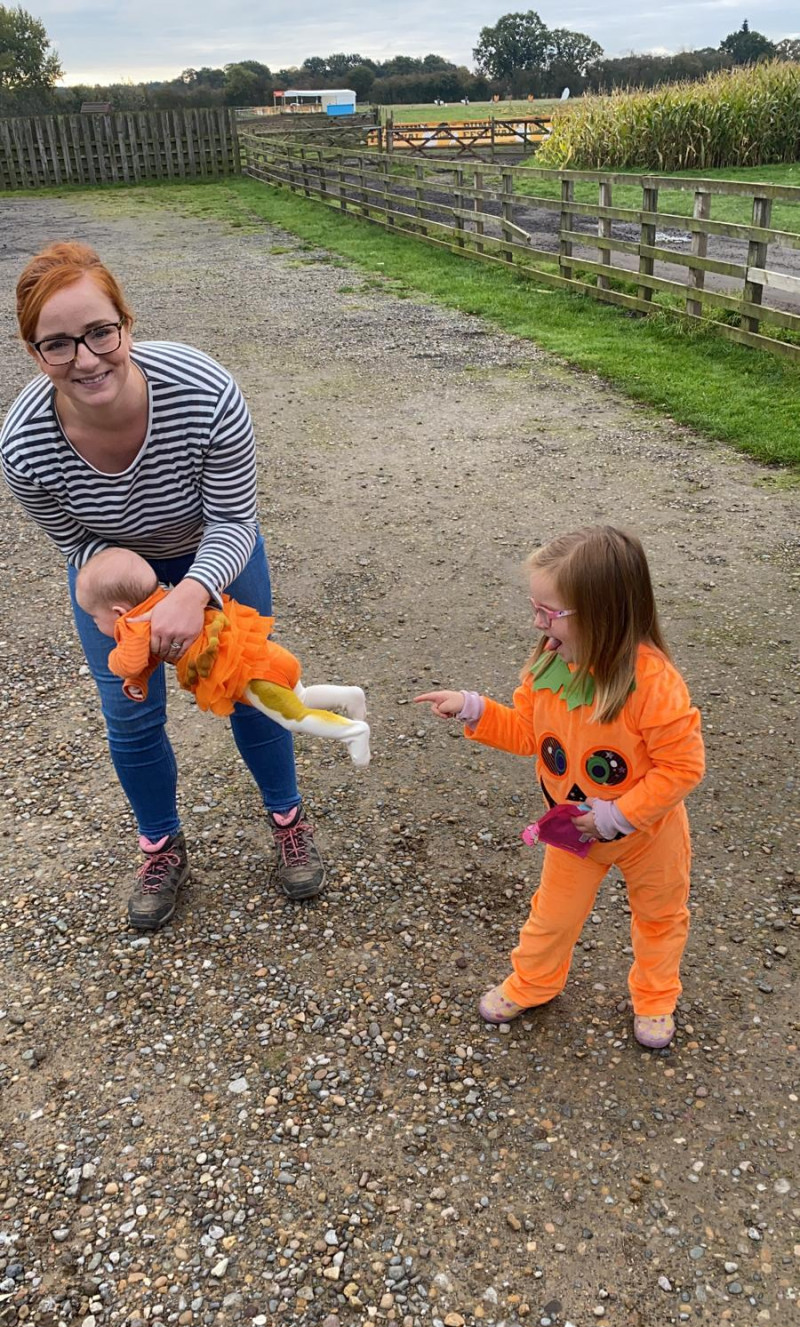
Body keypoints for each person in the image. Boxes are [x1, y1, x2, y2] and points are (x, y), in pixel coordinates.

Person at [1, 241, 328, 930]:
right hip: (116, 578)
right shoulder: (24, 448)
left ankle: (288, 820)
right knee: (131, 719)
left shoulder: (204, 390)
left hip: (218, 551)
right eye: (57, 345)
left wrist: (194, 591)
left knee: (255, 693)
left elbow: (236, 517)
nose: (85, 359)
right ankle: (161, 845)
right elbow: (78, 544)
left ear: (126, 323)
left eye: (99, 333)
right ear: (33, 354)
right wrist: (132, 598)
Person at [415, 526, 705, 1050]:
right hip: (574, 834)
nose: (537, 623)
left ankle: (656, 997)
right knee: (550, 917)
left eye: (550, 612)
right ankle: (534, 982)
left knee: (660, 919)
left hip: (650, 836)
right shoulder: (549, 663)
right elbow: (530, 734)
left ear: (606, 613)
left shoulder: (654, 685)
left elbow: (682, 768)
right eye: (536, 607)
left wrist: (616, 817)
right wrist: (474, 708)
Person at [75, 546, 371, 764]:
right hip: (262, 652)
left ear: (118, 612)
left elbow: (128, 661)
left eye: (93, 618)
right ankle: (349, 696)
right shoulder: (166, 600)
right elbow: (148, 660)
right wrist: (137, 682)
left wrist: (119, 659)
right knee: (301, 696)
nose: (94, 624)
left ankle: (353, 732)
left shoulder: (132, 626)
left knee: (293, 717)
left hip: (249, 675)